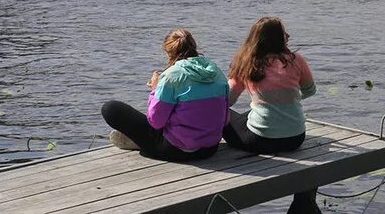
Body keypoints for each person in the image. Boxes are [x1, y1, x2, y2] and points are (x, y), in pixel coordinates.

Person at [224, 17, 319, 214]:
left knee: (223, 116)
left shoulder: (248, 63)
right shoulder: (296, 60)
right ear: (280, 39)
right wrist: (288, 97)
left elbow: (228, 100)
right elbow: (310, 90)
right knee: (252, 115)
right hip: (295, 138)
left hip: (261, 139)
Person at [101, 29, 228, 162]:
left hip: (178, 150)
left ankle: (138, 142)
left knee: (110, 108)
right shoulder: (216, 72)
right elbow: (225, 120)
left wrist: (156, 89)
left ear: (168, 52)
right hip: (210, 149)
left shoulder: (172, 76)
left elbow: (156, 122)